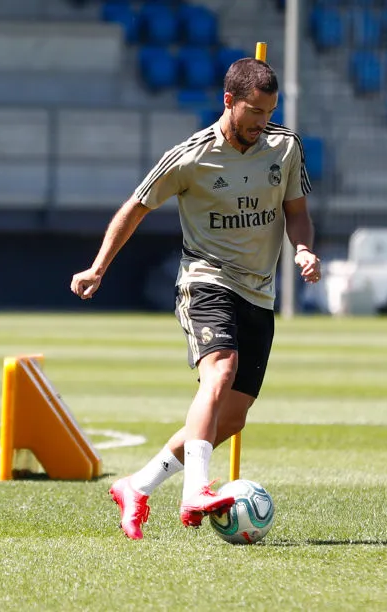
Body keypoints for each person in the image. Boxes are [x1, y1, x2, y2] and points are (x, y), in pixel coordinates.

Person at [69, 58, 321, 540]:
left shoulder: (285, 147)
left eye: (269, 112)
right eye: (253, 113)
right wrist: (98, 267)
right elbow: (134, 207)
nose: (261, 123)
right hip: (206, 281)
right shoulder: (189, 157)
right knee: (220, 370)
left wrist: (304, 247)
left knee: (232, 415)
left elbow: (298, 211)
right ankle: (196, 490)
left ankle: (137, 485)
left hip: (259, 293)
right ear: (228, 101)